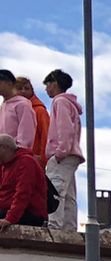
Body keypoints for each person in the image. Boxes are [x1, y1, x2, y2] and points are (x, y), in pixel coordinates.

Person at [41, 71, 82, 231]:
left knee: (55, 190)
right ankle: (69, 228)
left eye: (47, 84)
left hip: (62, 155)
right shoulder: (70, 103)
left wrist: (59, 152)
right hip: (71, 154)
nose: (46, 89)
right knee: (69, 195)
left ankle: (54, 227)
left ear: (55, 83)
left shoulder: (60, 102)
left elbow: (65, 129)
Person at [0, 136, 47, 228]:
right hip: (8, 209)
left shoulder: (26, 162)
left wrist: (10, 218)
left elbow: (23, 193)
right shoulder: (4, 166)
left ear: (4, 148)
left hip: (30, 213)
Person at [0, 72, 35, 157]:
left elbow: (26, 133)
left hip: (16, 156)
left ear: (10, 83)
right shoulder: (3, 105)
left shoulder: (22, 104)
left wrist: (19, 152)